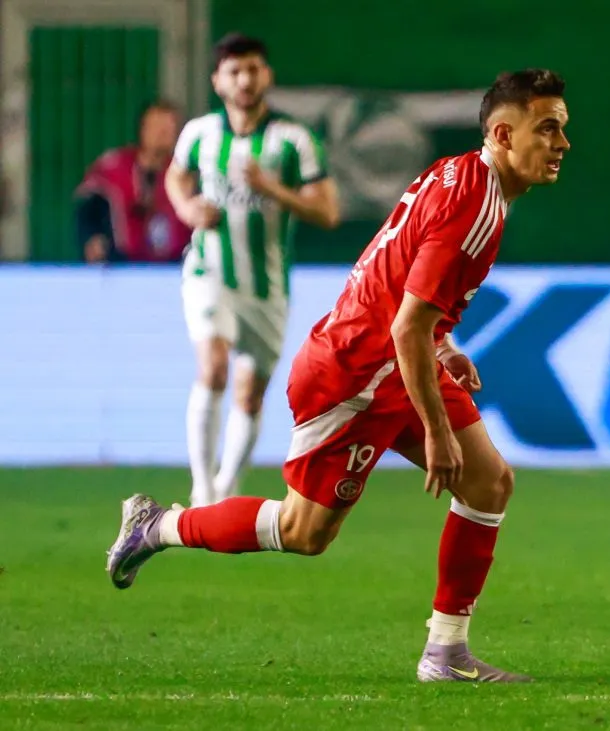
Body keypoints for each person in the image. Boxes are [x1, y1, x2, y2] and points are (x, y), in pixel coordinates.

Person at [106, 68, 571, 683]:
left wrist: (444, 341)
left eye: (562, 128)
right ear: (504, 134)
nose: (562, 143)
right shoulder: (474, 205)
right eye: (548, 129)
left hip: (394, 360)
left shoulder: (456, 172)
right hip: (354, 374)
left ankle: (446, 653)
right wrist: (435, 427)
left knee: (488, 483)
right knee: (304, 531)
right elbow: (406, 325)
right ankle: (158, 525)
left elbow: (403, 280)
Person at [165, 33, 341, 508]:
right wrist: (187, 208)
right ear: (217, 81)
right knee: (214, 367)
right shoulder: (200, 133)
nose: (245, 79)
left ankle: (225, 491)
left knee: (250, 395)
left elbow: (327, 212)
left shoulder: (294, 140)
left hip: (267, 287)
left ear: (268, 76)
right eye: (235, 71)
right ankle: (202, 490)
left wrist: (273, 189)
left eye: (253, 69)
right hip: (208, 273)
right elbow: (176, 176)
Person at [74, 101, 192, 264]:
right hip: (118, 269)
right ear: (142, 129)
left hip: (172, 269)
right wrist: (93, 238)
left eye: (169, 128)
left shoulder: (185, 173)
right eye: (157, 126)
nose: (162, 133)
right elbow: (87, 211)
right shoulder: (113, 167)